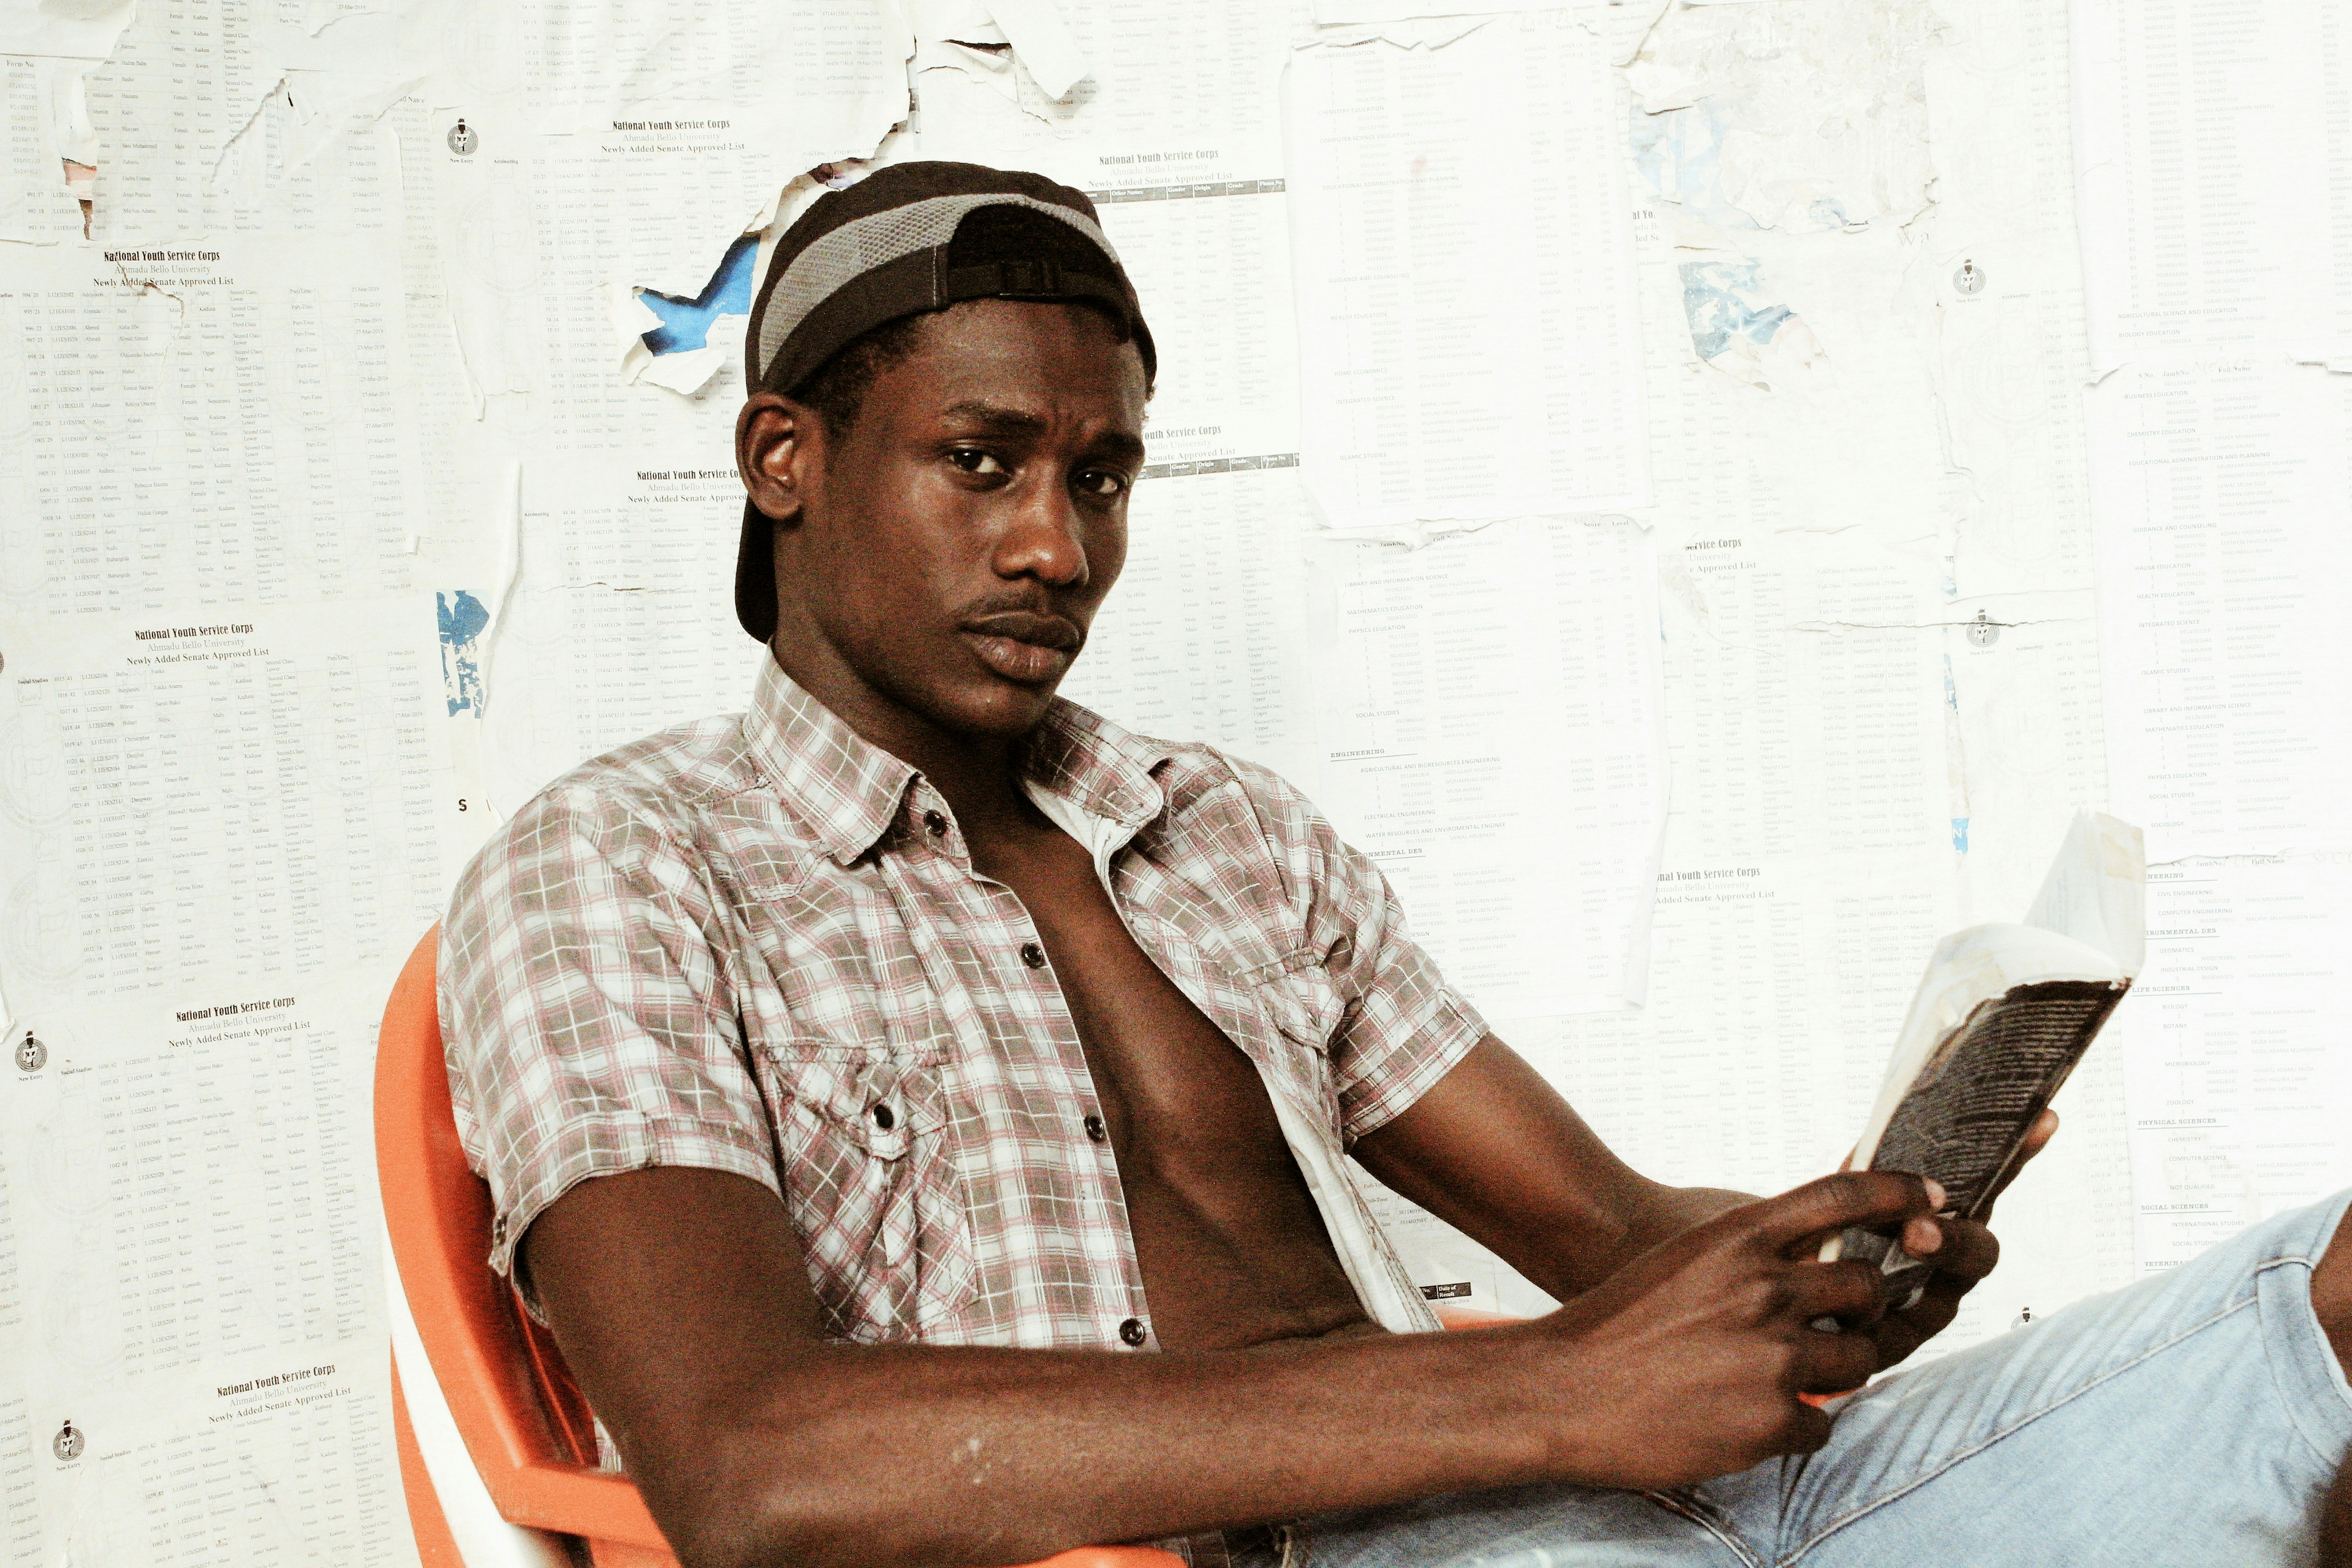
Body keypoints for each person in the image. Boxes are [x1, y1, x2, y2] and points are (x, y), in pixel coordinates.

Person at [439, 162, 2352, 1568]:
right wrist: (1542, 1397)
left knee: (2334, 1295)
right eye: (983, 461)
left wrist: (1847, 1249)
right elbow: (752, 1463)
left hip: (1620, 1505)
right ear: (786, 457)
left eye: (1100, 478)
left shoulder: (1226, 830)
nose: (1055, 547)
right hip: (1313, 1546)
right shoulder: (619, 868)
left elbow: (1603, 1239)